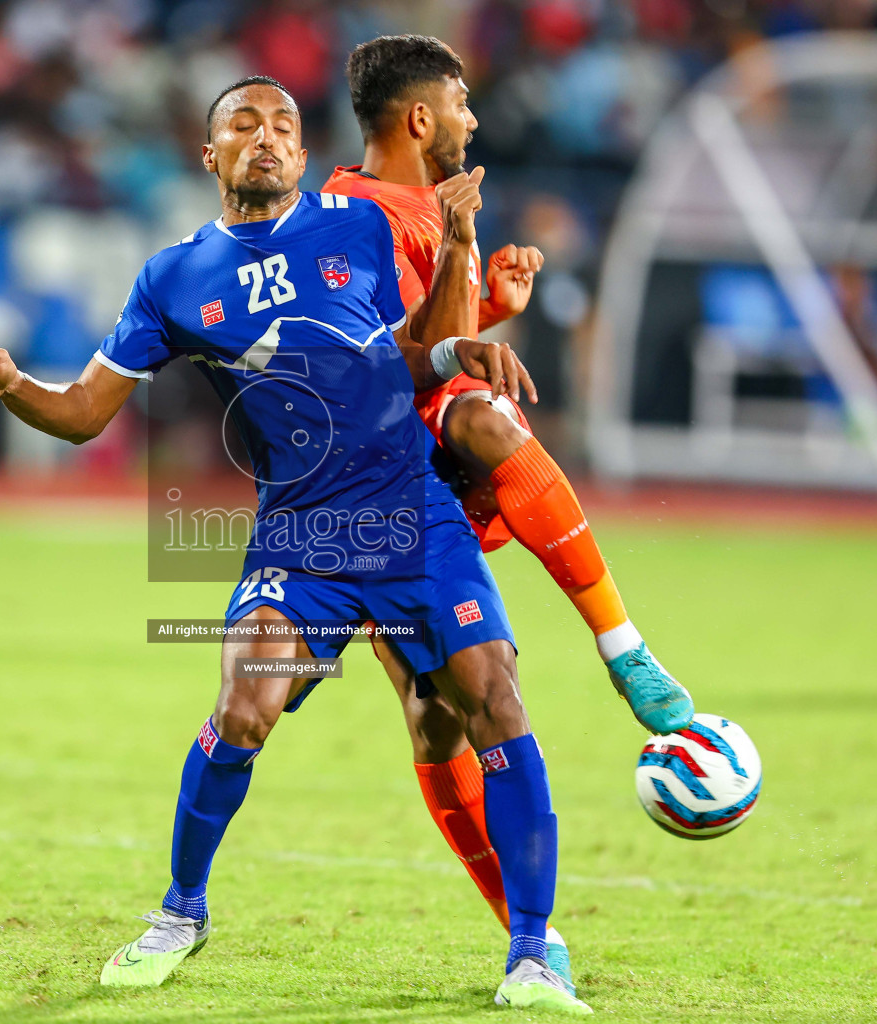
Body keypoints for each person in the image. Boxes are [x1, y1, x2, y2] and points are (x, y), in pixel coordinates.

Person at [0, 76, 592, 1014]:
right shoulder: (172, 278)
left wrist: (460, 249)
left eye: (284, 124)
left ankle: (534, 953)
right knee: (244, 706)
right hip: (299, 532)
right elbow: (82, 414)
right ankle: (179, 913)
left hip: (410, 513)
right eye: (244, 124)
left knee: (493, 698)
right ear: (211, 154)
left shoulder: (357, 226)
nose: (268, 138)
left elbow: (423, 350)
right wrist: (9, 383)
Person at [321, 34, 692, 931]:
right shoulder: (346, 213)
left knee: (482, 415)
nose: (474, 118)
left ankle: (625, 649)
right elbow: (396, 358)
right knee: (434, 721)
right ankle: (524, 929)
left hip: (442, 441)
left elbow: (443, 339)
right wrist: (465, 252)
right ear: (419, 117)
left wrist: (491, 305)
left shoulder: (417, 204)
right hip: (374, 478)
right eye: (459, 103)